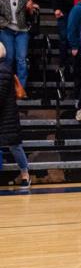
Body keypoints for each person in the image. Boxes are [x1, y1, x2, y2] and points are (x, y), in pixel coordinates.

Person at [0, 42, 30, 188]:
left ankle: (25, 174)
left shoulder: (3, 71)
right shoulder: (6, 69)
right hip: (7, 114)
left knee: (15, 146)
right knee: (15, 146)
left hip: (6, 115)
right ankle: (25, 174)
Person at [0, 0, 35, 87]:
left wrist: (30, 10)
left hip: (22, 30)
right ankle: (7, 87)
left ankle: (21, 87)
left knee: (21, 59)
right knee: (8, 58)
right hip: (7, 30)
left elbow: (30, 17)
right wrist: (4, 23)